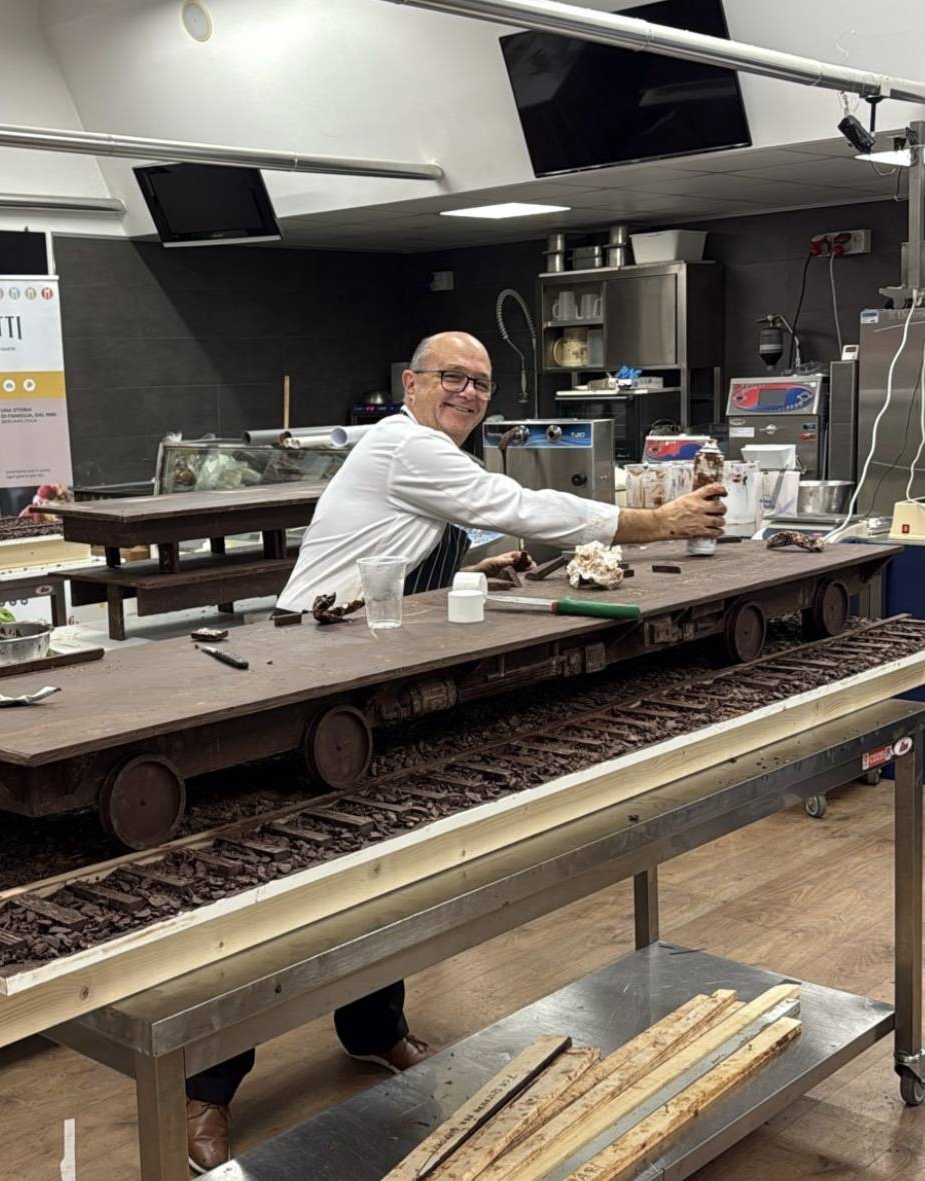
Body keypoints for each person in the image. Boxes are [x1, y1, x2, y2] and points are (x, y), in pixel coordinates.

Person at [185, 331, 724, 1172]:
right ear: (412, 383)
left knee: (385, 862)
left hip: (368, 664)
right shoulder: (407, 445)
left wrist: (472, 567)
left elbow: (407, 546)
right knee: (280, 886)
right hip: (305, 669)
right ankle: (206, 1088)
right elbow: (513, 501)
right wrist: (654, 522)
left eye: (481, 383)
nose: (469, 392)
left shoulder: (427, 457)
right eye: (453, 377)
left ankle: (373, 1028)